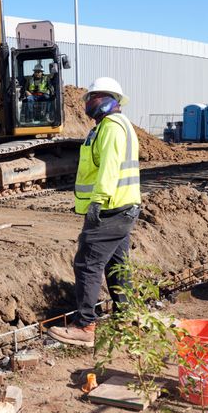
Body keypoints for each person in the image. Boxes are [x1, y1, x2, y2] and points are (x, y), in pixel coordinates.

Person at [47, 77, 141, 347]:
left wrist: (97, 202)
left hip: (110, 208)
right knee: (116, 264)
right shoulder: (114, 126)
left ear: (110, 99)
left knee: (87, 263)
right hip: (123, 206)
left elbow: (110, 167)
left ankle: (85, 325)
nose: (88, 103)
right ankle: (126, 318)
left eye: (93, 98)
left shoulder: (111, 127)